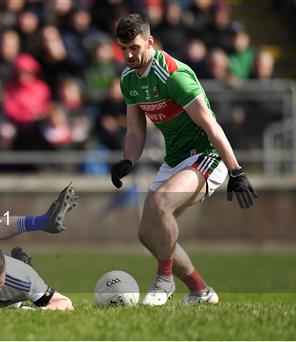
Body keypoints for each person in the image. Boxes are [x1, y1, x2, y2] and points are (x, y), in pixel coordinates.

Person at [110, 14, 257, 306]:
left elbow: (211, 126)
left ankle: (163, 282)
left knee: (161, 202)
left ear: (149, 42)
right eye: (123, 48)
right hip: (176, 158)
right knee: (147, 233)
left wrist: (236, 171)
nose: (129, 54)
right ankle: (201, 291)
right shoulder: (128, 79)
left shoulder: (173, 75)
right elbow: (136, 128)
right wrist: (128, 160)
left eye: (135, 47)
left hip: (206, 155)